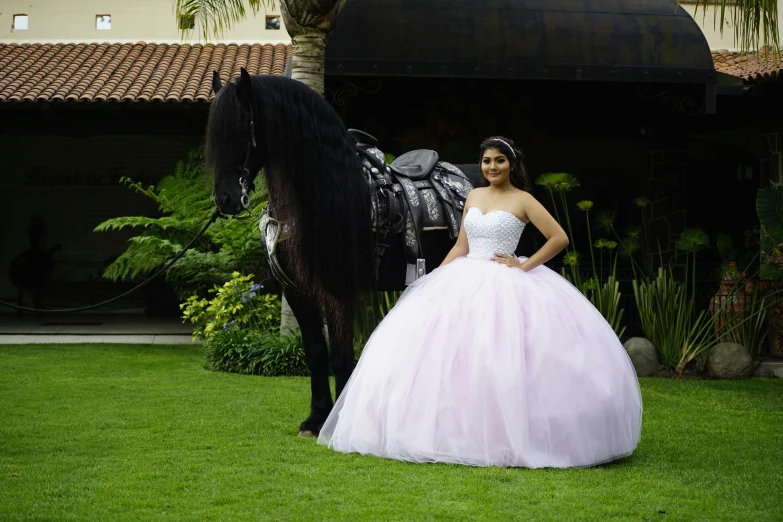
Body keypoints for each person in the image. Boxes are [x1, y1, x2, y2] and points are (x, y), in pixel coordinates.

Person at [317, 137, 642, 468]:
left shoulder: (524, 199)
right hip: (466, 275)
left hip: (506, 281)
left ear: (511, 164)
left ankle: (509, 433)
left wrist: (523, 265)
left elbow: (559, 237)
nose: (492, 167)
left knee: (500, 358)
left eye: (499, 161)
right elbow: (461, 245)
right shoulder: (473, 195)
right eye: (487, 161)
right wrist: (431, 282)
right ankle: (451, 430)